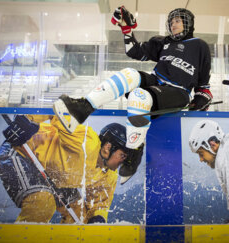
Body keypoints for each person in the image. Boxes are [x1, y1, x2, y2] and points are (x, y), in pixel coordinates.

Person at [52, 6, 212, 182]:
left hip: (178, 91)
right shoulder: (164, 42)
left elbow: (204, 83)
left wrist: (202, 97)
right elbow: (134, 51)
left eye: (178, 21)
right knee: (129, 73)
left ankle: (134, 152)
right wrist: (126, 30)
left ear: (188, 23)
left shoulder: (200, 46)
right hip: (156, 81)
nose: (173, 24)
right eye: (171, 21)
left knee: (138, 96)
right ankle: (80, 110)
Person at [0, 114, 131, 223]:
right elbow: (58, 111)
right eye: (122, 155)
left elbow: (99, 203)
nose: (123, 162)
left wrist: (97, 220)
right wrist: (26, 120)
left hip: (54, 175)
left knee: (79, 215)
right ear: (107, 147)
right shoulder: (86, 141)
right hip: (22, 151)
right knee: (42, 202)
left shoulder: (108, 175)